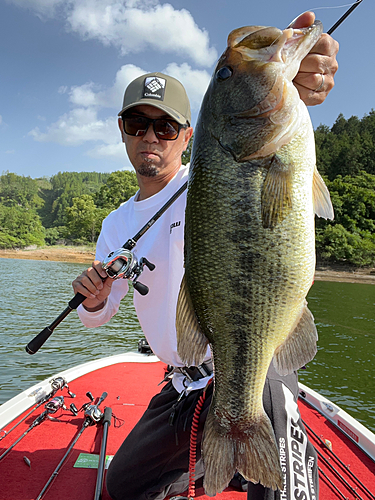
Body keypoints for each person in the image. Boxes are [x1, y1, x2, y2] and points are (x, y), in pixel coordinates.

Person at [72, 12, 339, 500]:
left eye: (166, 126)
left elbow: (266, 134)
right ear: (123, 131)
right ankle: (212, 462)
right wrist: (95, 299)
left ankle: (249, 455)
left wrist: (297, 85)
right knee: (123, 485)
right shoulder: (115, 225)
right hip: (183, 384)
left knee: (284, 491)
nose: (151, 136)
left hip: (255, 362)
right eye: (138, 123)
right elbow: (99, 317)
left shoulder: (211, 175)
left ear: (189, 136)